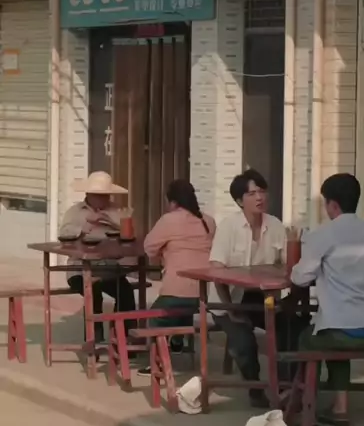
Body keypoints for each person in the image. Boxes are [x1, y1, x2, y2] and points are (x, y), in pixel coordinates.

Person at [291, 173, 364, 426]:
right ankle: (340, 407)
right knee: (332, 332)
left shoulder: (324, 234)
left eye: (325, 203)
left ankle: (305, 407)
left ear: (333, 205)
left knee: (309, 338)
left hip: (343, 331)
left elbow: (299, 278)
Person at [209, 168, 308, 409]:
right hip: (228, 298)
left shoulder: (275, 225)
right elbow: (216, 271)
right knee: (244, 340)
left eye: (262, 191)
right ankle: (255, 388)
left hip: (262, 297)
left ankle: (287, 387)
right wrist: (230, 309)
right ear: (239, 200)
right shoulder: (228, 226)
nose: (259, 198)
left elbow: (289, 264)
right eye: (252, 193)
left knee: (292, 326)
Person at [138, 179, 215, 374]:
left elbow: (149, 247)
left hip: (176, 291)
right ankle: (178, 340)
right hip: (204, 294)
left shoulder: (169, 220)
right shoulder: (208, 221)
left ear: (172, 202)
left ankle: (157, 361)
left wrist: (164, 252)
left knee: (156, 318)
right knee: (183, 306)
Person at [58, 171, 136, 344]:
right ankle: (94, 340)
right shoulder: (75, 212)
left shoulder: (116, 210)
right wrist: (87, 226)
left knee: (126, 293)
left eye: (106, 195)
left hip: (108, 268)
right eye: (99, 195)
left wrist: (113, 222)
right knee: (93, 293)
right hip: (79, 269)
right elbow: (64, 235)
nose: (104, 199)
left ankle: (123, 341)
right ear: (89, 194)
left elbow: (129, 235)